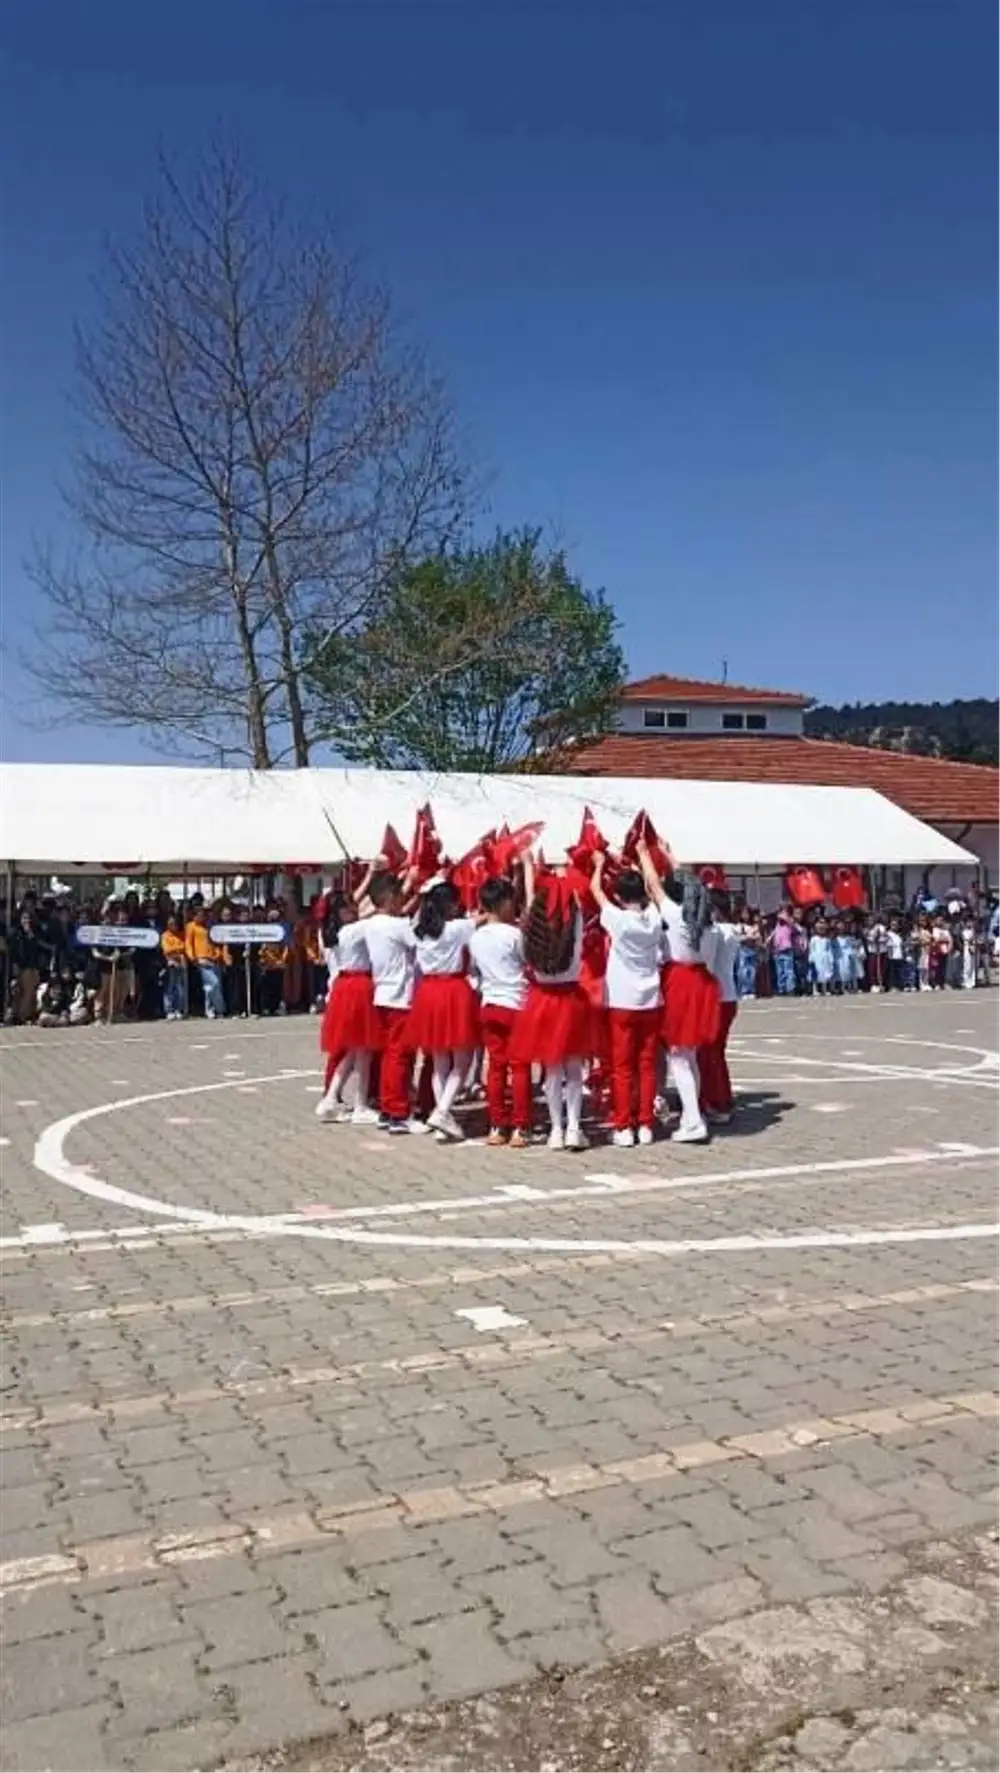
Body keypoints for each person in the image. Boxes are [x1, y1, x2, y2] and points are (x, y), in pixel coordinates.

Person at [636, 839, 720, 1145]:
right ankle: (691, 1114)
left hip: (681, 982)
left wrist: (644, 854)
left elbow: (653, 884)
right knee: (689, 1055)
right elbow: (689, 884)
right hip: (701, 981)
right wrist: (670, 856)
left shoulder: (674, 913)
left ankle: (694, 1120)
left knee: (679, 1056)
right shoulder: (706, 921)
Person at [509, 862, 591, 1151]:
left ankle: (556, 1129)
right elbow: (576, 906)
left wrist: (530, 870)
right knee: (574, 1069)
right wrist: (565, 879)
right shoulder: (575, 924)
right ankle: (574, 1128)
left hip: (542, 1000)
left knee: (552, 1068)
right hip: (571, 999)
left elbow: (532, 909)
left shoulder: (530, 930)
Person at [589, 854, 662, 1148]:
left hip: (622, 1000)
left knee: (622, 1067)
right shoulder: (654, 919)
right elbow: (654, 890)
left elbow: (595, 891)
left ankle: (623, 1125)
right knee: (647, 1065)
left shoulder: (618, 920)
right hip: (651, 1000)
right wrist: (639, 864)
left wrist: (598, 865)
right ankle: (645, 1124)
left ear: (618, 896)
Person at [407, 879, 480, 1142]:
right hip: (453, 990)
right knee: (462, 1059)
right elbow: (482, 919)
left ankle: (442, 1116)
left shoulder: (419, 931)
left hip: (428, 992)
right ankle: (442, 1112)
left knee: (439, 1060)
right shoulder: (456, 928)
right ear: (449, 904)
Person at [362, 869, 426, 1135]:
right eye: (399, 895)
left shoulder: (370, 924)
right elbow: (420, 942)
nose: (402, 900)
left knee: (389, 1055)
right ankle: (398, 1112)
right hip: (401, 996)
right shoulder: (397, 926)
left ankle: (388, 1107)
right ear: (389, 897)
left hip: (382, 994)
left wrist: (414, 895)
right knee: (400, 1056)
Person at [469, 877, 532, 1149]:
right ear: (505, 903)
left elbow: (473, 972)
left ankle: (496, 1124)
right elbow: (527, 962)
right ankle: (520, 1126)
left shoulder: (476, 937)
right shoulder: (515, 935)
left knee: (496, 1067)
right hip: (515, 1003)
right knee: (520, 1067)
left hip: (490, 1002)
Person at [316, 894, 381, 1124]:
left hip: (343, 987)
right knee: (363, 1050)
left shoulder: (330, 932)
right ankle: (360, 1104)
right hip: (358, 985)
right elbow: (378, 913)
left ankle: (331, 1098)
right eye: (351, 908)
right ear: (342, 912)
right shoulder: (354, 930)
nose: (356, 910)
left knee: (353, 1050)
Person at [699, 890, 739, 1124]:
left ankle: (716, 1101)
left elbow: (707, 964)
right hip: (728, 995)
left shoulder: (716, 931)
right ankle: (722, 1096)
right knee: (716, 1052)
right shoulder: (730, 930)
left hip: (717, 997)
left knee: (709, 1053)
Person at [185, 905, 225, 1019]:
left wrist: (218, 953)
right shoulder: (191, 926)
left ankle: (211, 1009)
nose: (202, 917)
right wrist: (193, 957)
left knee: (212, 987)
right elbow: (188, 943)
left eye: (203, 915)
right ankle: (220, 1008)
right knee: (213, 983)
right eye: (199, 915)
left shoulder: (209, 926)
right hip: (202, 959)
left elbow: (215, 941)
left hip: (214, 959)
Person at [258, 908, 290, 1017]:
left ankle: (277, 1008)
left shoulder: (282, 930)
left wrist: (282, 961)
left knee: (278, 987)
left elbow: (286, 947)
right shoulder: (264, 930)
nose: (273, 920)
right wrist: (272, 961)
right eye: (271, 918)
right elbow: (263, 949)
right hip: (267, 964)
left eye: (276, 918)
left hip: (279, 964)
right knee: (266, 987)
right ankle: (266, 1008)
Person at [161, 913, 187, 1019]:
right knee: (170, 987)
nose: (173, 926)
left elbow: (184, 947)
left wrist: (177, 951)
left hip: (181, 963)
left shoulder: (181, 934)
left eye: (175, 924)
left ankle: (178, 1009)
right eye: (171, 924)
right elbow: (167, 950)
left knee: (180, 988)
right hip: (170, 963)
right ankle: (169, 1010)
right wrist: (177, 951)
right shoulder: (165, 935)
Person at [808, 919, 834, 996]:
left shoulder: (827, 939)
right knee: (815, 974)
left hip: (825, 959)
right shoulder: (813, 939)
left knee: (825, 974)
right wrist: (811, 958)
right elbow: (811, 949)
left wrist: (830, 958)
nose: (821, 929)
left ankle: (824, 989)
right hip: (816, 959)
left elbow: (829, 949)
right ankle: (815, 989)